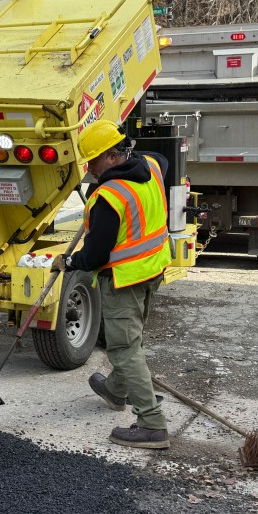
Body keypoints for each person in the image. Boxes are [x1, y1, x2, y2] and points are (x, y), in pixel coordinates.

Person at [52, 120, 171, 449]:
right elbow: (162, 160)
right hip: (153, 270)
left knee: (124, 348)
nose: (89, 170)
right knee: (132, 339)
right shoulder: (150, 165)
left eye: (92, 162)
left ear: (110, 157)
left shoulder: (109, 197)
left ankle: (151, 423)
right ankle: (116, 390)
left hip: (124, 280)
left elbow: (95, 255)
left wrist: (72, 262)